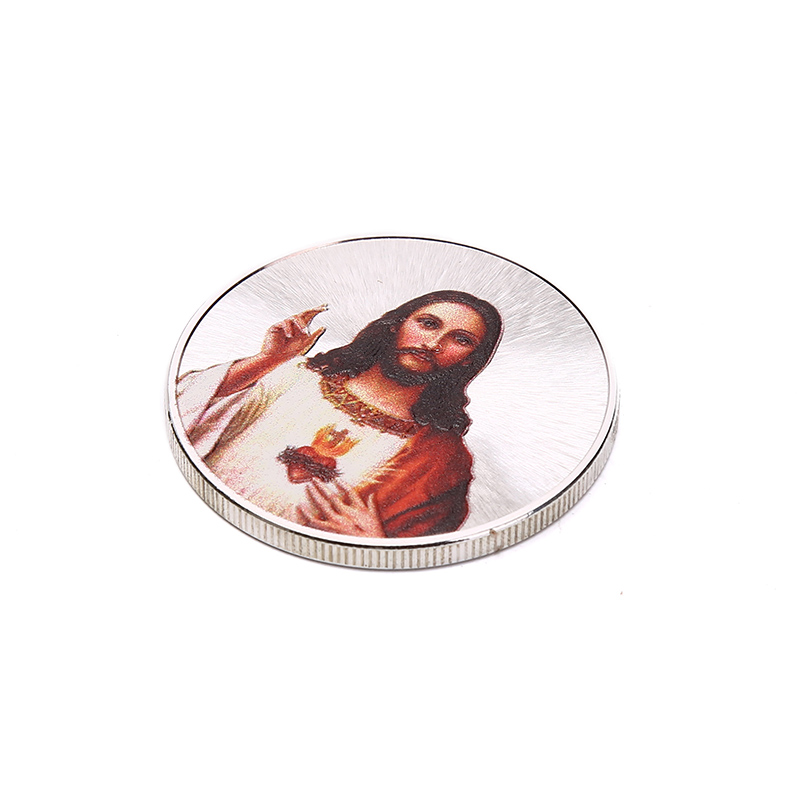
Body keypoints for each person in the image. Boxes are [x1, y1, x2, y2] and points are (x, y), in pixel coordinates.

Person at [177, 290, 502, 538]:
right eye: (428, 324)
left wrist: (376, 543)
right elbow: (183, 410)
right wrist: (268, 360)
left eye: (461, 340)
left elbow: (424, 547)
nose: (433, 343)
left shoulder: (440, 459)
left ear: (468, 359)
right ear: (396, 326)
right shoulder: (293, 376)